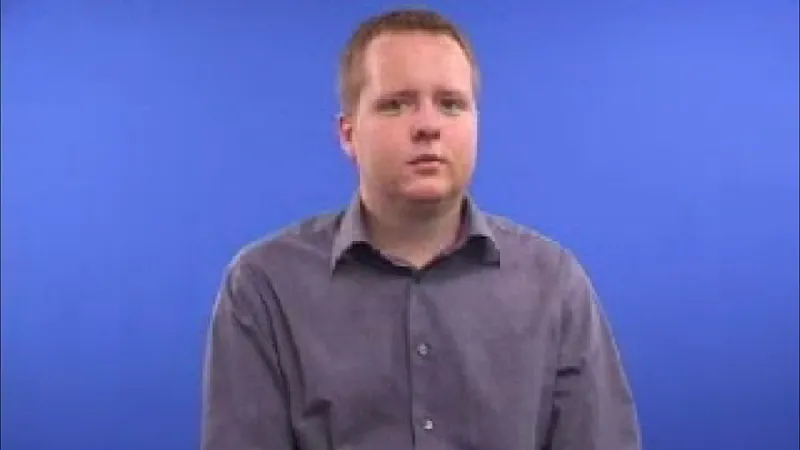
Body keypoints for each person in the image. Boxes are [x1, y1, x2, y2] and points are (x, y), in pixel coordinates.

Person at [200, 7, 641, 450]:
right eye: (396, 104)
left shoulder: (554, 285)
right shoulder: (264, 288)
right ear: (347, 134)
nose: (428, 126)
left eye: (451, 104)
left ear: (475, 124)